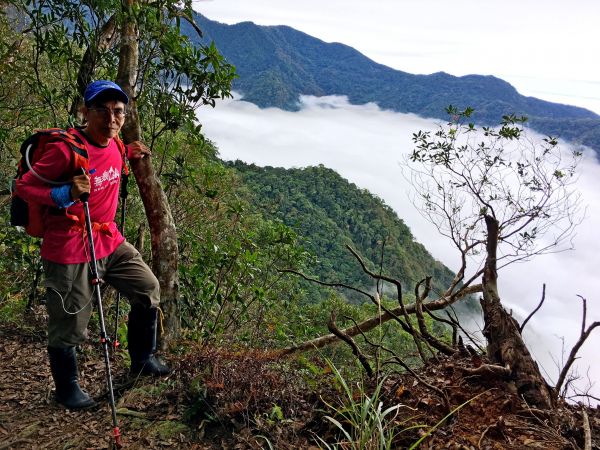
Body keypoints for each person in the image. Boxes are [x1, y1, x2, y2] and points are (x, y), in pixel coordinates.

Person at [15, 80, 170, 410]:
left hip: (108, 238)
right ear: (86, 112)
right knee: (69, 322)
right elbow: (24, 187)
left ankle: (143, 358)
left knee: (148, 289)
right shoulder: (64, 151)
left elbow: (108, 163)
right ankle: (67, 388)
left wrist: (130, 152)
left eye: (118, 112)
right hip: (69, 246)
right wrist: (61, 195)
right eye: (102, 110)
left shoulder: (115, 145)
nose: (111, 119)